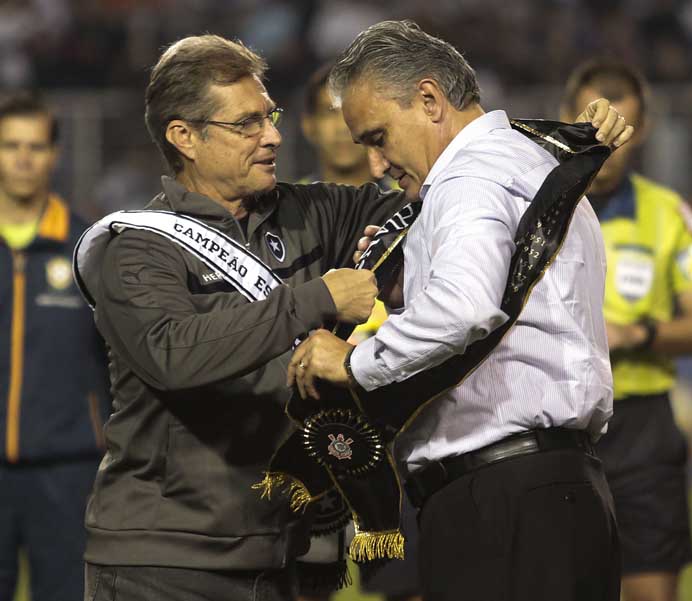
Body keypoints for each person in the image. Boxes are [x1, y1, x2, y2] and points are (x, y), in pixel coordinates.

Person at [288, 20, 634, 601]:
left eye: (377, 137)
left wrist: (353, 362)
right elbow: (504, 301)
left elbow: (465, 308)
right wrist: (404, 290)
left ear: (429, 100)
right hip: (559, 494)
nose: (375, 164)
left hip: (500, 499)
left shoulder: (466, 178)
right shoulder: (530, 162)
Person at [74, 35, 404, 601]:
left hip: (284, 554)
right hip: (162, 562)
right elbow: (173, 352)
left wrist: (540, 146)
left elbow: (429, 203)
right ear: (184, 137)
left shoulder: (311, 213)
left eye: (269, 116)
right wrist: (315, 298)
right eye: (246, 124)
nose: (272, 136)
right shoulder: (137, 248)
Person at [559, 61, 692, 601]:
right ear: (567, 118)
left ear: (643, 129)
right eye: (593, 124)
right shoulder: (532, 206)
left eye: (621, 128)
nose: (606, 140)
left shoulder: (667, 214)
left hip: (642, 427)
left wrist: (639, 336)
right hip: (555, 424)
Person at [298, 64, 422, 601]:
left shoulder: (410, 209)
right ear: (306, 128)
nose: (339, 126)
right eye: (327, 113)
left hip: (396, 435)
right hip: (309, 433)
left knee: (408, 587)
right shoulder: (288, 219)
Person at [0, 93, 111, 601]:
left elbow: (118, 360)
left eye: (36, 146)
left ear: (55, 155)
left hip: (68, 472)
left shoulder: (87, 248)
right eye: (10, 145)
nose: (23, 158)